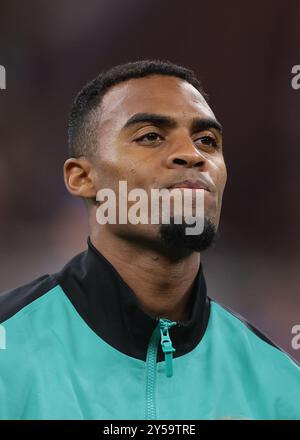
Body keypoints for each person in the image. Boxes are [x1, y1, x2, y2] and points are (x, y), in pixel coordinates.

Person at [0, 60, 299, 420]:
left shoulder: (280, 388)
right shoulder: (9, 351)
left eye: (207, 141)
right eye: (151, 137)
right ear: (82, 177)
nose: (192, 155)